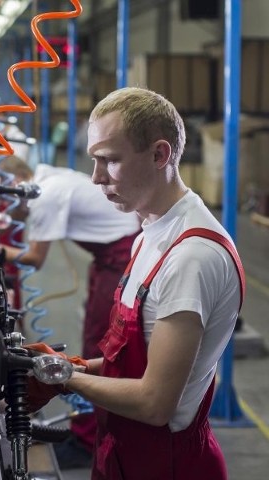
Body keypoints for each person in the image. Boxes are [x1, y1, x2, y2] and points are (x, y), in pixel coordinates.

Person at [28, 87, 245, 480]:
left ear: (160, 155)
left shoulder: (190, 257)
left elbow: (154, 402)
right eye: (94, 160)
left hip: (167, 463)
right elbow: (129, 358)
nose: (96, 178)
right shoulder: (148, 234)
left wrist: (62, 378)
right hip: (123, 450)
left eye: (110, 161)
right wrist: (66, 366)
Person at [0, 155, 141, 468]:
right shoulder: (52, 177)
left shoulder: (46, 194)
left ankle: (88, 440)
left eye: (7, 196)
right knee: (96, 338)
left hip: (121, 260)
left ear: (21, 180)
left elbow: (35, 258)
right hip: (109, 257)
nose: (7, 207)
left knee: (100, 345)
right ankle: (93, 430)